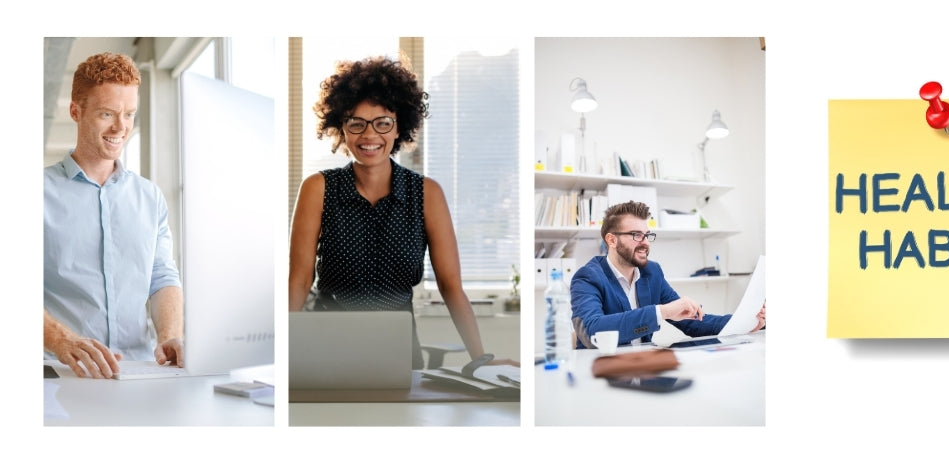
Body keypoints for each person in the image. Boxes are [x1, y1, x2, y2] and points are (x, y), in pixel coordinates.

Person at [288, 55, 517, 368]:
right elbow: (299, 283)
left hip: (397, 354)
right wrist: (284, 354)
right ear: (342, 126)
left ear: (399, 128)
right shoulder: (318, 188)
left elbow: (452, 288)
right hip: (326, 347)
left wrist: (480, 359)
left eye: (382, 123)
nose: (369, 135)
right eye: (357, 123)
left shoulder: (427, 194)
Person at [44, 52, 184, 379]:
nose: (121, 127)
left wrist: (170, 336)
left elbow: (162, 276)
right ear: (76, 112)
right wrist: (63, 341)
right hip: (59, 371)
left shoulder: (150, 197)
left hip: (138, 371)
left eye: (129, 114)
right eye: (107, 113)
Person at [570, 201, 765, 347]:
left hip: (645, 367)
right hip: (600, 372)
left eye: (647, 235)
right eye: (637, 235)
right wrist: (661, 312)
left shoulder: (651, 272)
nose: (645, 242)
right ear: (611, 240)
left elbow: (693, 322)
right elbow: (590, 330)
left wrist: (746, 322)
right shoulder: (587, 277)